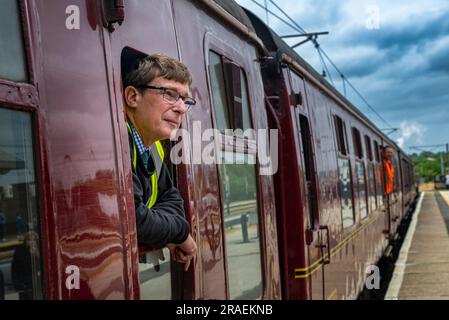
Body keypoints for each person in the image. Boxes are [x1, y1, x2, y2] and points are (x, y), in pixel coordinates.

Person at [122, 51, 197, 271]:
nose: (181, 108)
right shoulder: (116, 142)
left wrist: (166, 228)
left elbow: (172, 199)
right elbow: (131, 217)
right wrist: (180, 232)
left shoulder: (152, 147)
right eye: (169, 94)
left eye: (184, 99)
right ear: (133, 97)